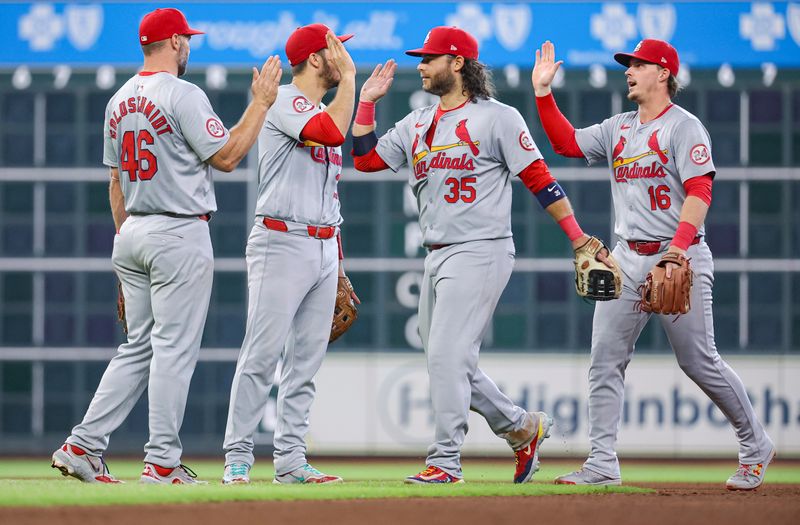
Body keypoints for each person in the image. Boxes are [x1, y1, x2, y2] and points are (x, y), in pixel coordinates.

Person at [352, 26, 610, 484]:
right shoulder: (417, 123)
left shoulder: (499, 118)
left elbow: (538, 178)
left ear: (457, 64)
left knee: (449, 355)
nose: (421, 65)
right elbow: (366, 159)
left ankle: (445, 461)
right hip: (436, 254)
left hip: (482, 248)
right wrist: (368, 101)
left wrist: (576, 236)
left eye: (430, 58)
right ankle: (521, 427)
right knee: (447, 362)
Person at [50, 8, 282, 484]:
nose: (189, 45)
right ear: (175, 42)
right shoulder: (182, 93)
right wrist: (260, 103)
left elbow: (115, 182)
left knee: (137, 348)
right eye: (187, 39)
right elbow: (230, 156)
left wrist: (125, 251)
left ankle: (82, 445)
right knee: (173, 349)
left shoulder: (117, 101)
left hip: (132, 230)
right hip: (178, 230)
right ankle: (161, 461)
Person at [531, 39, 775, 490]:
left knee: (698, 361)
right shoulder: (618, 127)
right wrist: (544, 94)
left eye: (638, 65)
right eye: (628, 65)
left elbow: (700, 191)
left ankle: (755, 442)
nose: (629, 70)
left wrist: (677, 249)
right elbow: (566, 143)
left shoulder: (685, 127)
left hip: (677, 254)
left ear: (663, 73)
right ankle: (602, 463)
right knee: (604, 361)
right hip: (626, 258)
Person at [222, 24, 358, 485]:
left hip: (322, 242)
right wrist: (354, 78)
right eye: (335, 51)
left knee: (306, 363)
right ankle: (238, 457)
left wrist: (337, 265)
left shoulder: (321, 106)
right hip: (280, 241)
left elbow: (333, 198)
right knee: (261, 356)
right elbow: (332, 133)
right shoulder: (282, 100)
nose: (342, 58)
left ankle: (291, 461)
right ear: (316, 59)